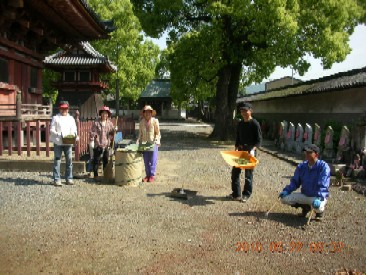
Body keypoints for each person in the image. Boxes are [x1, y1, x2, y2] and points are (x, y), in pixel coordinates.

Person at [279, 144, 330, 221]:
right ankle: (305, 207)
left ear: (316, 154)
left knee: (318, 206)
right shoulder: (302, 166)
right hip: (305, 195)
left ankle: (319, 212)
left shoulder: (323, 166)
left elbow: (323, 184)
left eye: (309, 152)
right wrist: (287, 190)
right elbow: (295, 182)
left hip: (317, 197)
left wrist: (319, 197)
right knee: (284, 199)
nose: (306, 154)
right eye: (306, 152)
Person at [229, 102, 262, 202]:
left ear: (250, 111)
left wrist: (253, 150)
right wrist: (236, 146)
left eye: (245, 110)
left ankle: (246, 194)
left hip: (250, 151)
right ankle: (236, 194)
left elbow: (259, 140)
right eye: (242, 110)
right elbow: (238, 137)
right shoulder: (240, 123)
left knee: (248, 175)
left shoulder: (255, 124)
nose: (243, 112)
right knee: (235, 173)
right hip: (241, 150)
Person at [50, 101, 78, 186]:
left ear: (68, 109)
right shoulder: (55, 118)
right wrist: (58, 134)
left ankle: (69, 178)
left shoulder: (71, 119)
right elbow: (51, 129)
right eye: (62, 108)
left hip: (68, 142)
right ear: (59, 109)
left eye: (65, 108)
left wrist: (74, 136)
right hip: (58, 142)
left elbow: (74, 130)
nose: (64, 110)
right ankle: (57, 179)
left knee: (69, 160)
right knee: (57, 160)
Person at [89, 106, 115, 181]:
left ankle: (105, 174)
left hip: (106, 144)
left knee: (105, 160)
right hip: (98, 144)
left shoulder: (109, 123)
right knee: (96, 160)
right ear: (101, 114)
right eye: (103, 113)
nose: (104, 115)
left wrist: (115, 130)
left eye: (106, 114)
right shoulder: (96, 122)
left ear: (108, 115)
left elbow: (112, 132)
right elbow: (92, 132)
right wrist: (94, 137)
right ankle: (96, 175)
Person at [137, 105, 161, 182]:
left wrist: (157, 140)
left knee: (153, 160)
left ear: (151, 113)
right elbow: (140, 134)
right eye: (146, 112)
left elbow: (157, 132)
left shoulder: (155, 121)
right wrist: (138, 140)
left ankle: (152, 175)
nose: (147, 114)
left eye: (149, 112)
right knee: (146, 160)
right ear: (143, 113)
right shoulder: (141, 122)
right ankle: (147, 175)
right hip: (144, 143)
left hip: (153, 142)